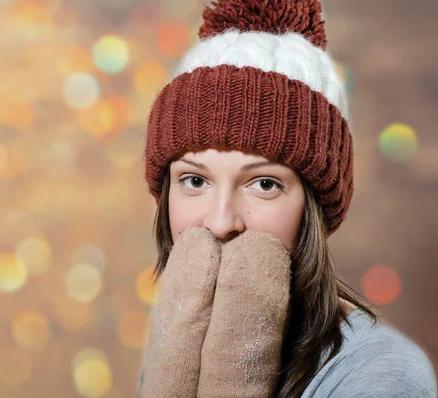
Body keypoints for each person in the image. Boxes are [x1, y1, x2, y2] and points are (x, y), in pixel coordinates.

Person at [136, 0, 437, 397]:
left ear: (314, 207)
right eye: (194, 180)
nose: (222, 222)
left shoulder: (382, 373)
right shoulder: (177, 343)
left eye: (264, 184)